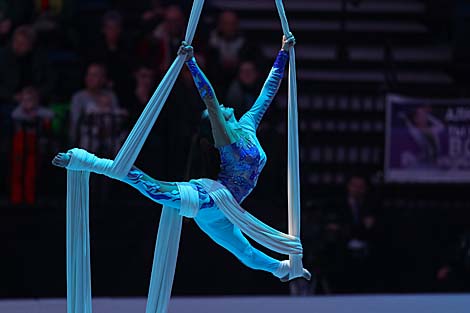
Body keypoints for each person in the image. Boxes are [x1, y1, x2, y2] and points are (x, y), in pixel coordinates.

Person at [52, 35, 310, 281]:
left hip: (224, 211)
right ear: (215, 123)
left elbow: (267, 92)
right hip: (210, 198)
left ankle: (283, 269)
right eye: (217, 112)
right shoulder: (227, 141)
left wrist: (283, 53)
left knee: (245, 254)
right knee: (151, 186)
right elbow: (209, 99)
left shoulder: (247, 125)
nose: (223, 106)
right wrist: (192, 63)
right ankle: (87, 161)